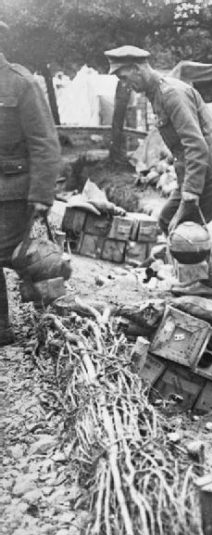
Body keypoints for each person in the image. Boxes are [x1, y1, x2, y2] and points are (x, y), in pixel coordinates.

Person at [106, 45, 212, 299]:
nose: (124, 84)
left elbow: (196, 145)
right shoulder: (156, 94)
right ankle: (208, 282)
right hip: (200, 168)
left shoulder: (171, 94)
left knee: (186, 224)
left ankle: (209, 285)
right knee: (168, 219)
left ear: (137, 68)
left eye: (124, 77)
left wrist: (190, 194)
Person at [0, 21, 61, 345]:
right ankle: (50, 308)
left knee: (15, 253)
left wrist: (41, 194)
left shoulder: (20, 83)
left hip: (12, 189)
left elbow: (44, 142)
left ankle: (49, 311)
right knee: (16, 256)